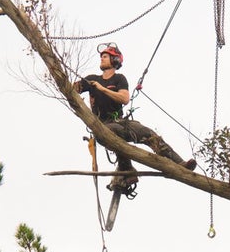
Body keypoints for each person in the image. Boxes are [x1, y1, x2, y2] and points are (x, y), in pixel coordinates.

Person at [75, 42, 196, 191]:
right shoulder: (92, 78)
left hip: (120, 122)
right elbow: (72, 89)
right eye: (102, 56)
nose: (101, 58)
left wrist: (102, 89)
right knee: (113, 132)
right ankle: (127, 169)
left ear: (115, 60)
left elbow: (124, 99)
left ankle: (179, 163)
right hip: (104, 125)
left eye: (105, 56)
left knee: (148, 133)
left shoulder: (119, 79)